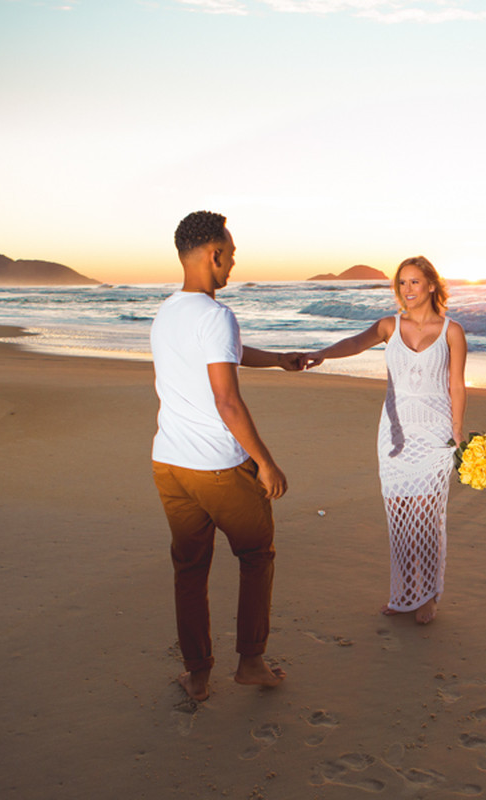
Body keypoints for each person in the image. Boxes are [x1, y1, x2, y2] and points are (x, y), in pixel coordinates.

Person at [150, 210, 304, 701]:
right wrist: (265, 462)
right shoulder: (216, 315)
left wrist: (278, 360)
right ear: (214, 254)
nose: (233, 264)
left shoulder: (168, 311)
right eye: (231, 255)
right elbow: (227, 401)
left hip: (169, 465)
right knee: (257, 554)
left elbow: (221, 353)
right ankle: (251, 663)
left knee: (190, 569)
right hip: (216, 467)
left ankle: (196, 676)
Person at [306, 256, 467, 625]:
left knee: (426, 517)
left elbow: (456, 385)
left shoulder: (451, 331)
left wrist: (457, 431)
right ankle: (405, 591)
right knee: (400, 517)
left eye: (414, 282)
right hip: (394, 434)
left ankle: (428, 595)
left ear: (430, 285)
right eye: (402, 283)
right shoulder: (388, 326)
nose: (407, 290)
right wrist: (321, 354)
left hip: (435, 434)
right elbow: (354, 343)